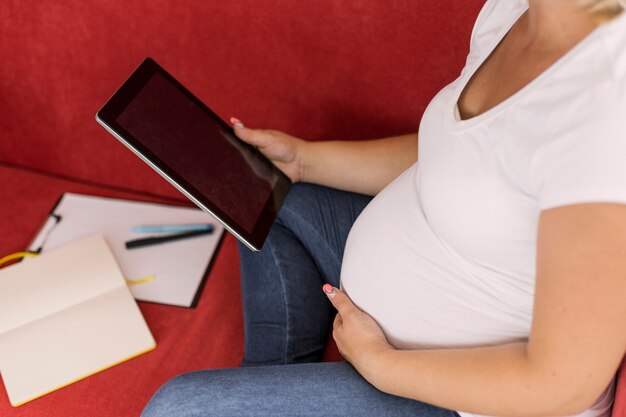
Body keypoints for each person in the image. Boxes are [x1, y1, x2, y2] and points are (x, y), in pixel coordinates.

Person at [141, 0, 626, 416]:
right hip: (410, 296)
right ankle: (275, 379)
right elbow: (459, 160)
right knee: (261, 193)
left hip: (467, 399)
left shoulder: (605, 103)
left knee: (176, 409)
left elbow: (564, 380)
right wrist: (305, 161)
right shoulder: (521, 10)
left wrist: (381, 364)